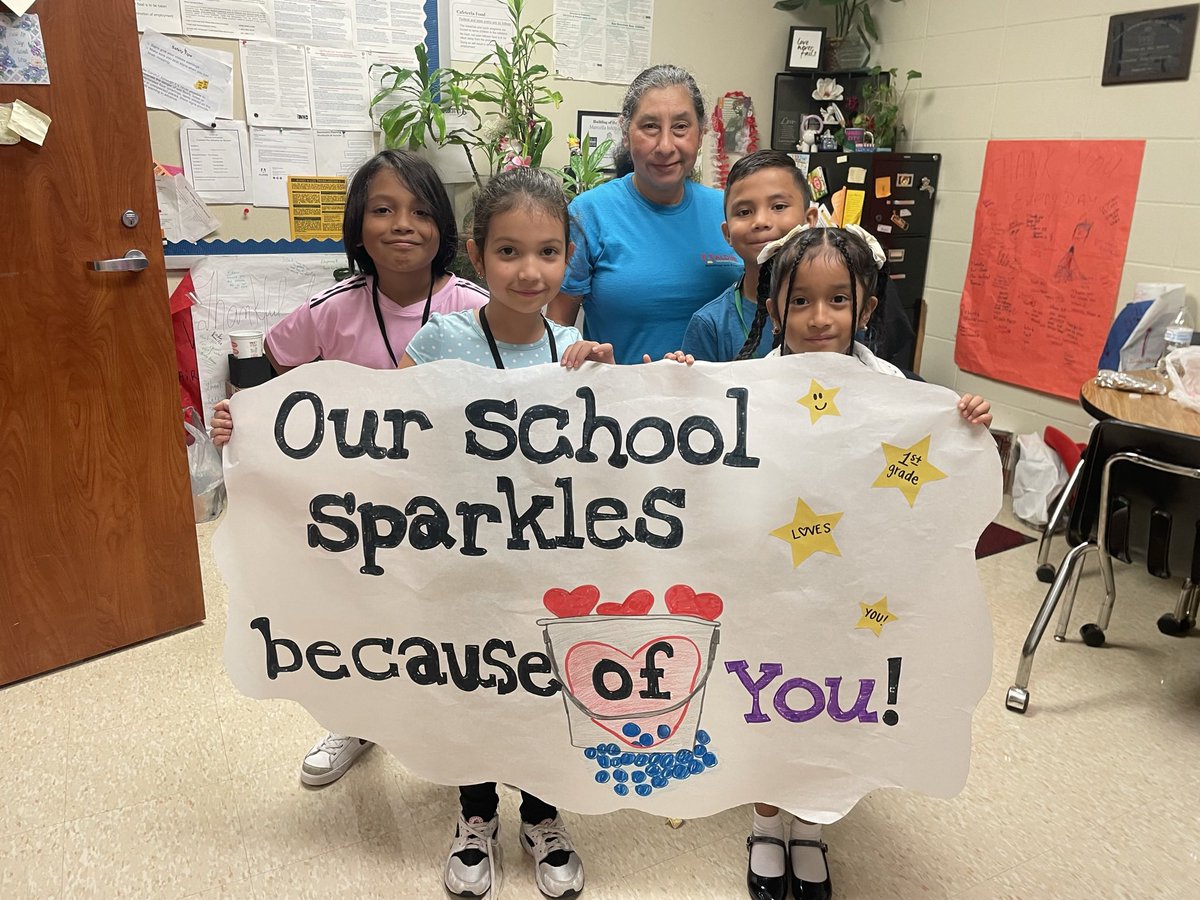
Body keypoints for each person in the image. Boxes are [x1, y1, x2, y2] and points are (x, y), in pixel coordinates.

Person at [210, 148, 487, 787]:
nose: (401, 225)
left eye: (420, 211)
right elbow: (267, 380)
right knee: (362, 611)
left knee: (448, 614)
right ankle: (356, 718)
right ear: (358, 225)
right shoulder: (330, 310)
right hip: (358, 508)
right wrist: (242, 421)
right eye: (382, 210)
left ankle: (463, 724)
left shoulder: (474, 306)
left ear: (443, 226)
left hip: (454, 505)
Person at [737, 223, 991, 900]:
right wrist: (679, 390)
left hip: (854, 587)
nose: (819, 319)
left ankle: (815, 822)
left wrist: (962, 419)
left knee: (835, 699)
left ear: (867, 309)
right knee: (763, 693)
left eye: (837, 301)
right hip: (767, 579)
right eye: (799, 301)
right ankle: (766, 823)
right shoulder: (748, 387)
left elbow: (925, 461)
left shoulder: (892, 391)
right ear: (773, 308)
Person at [398, 166, 612, 899]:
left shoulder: (576, 347)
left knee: (548, 687)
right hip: (465, 560)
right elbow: (380, 433)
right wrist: (252, 431)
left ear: (569, 255)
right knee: (475, 684)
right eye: (511, 252)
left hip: (551, 561)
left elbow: (607, 460)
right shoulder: (440, 340)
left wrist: (615, 390)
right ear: (476, 254)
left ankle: (544, 813)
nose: (531, 271)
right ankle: (476, 813)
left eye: (549, 252)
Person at [548, 64, 740, 364]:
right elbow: (558, 328)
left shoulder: (730, 211)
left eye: (680, 127)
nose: (665, 146)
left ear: (700, 133)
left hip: (722, 404)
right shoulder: (588, 214)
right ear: (626, 133)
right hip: (621, 404)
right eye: (650, 126)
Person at [682, 150, 816, 362]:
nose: (761, 221)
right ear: (727, 234)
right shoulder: (711, 325)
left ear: (810, 220)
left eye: (779, 206)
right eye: (744, 212)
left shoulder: (839, 311)